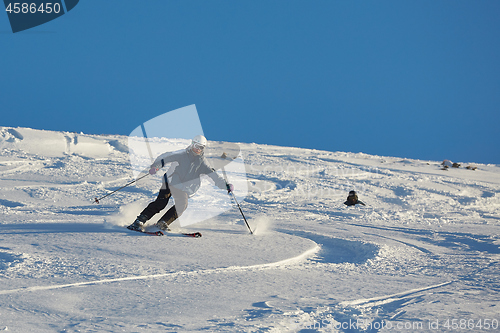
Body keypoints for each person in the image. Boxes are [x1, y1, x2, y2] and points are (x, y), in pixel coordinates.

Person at [127, 135, 233, 232]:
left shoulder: (202, 162)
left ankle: (163, 222)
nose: (198, 149)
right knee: (161, 203)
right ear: (192, 144)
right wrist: (156, 167)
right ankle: (139, 221)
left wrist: (225, 185)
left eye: (201, 147)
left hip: (183, 187)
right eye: (197, 146)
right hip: (170, 182)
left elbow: (213, 175)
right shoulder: (181, 154)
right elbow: (165, 158)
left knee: (182, 204)